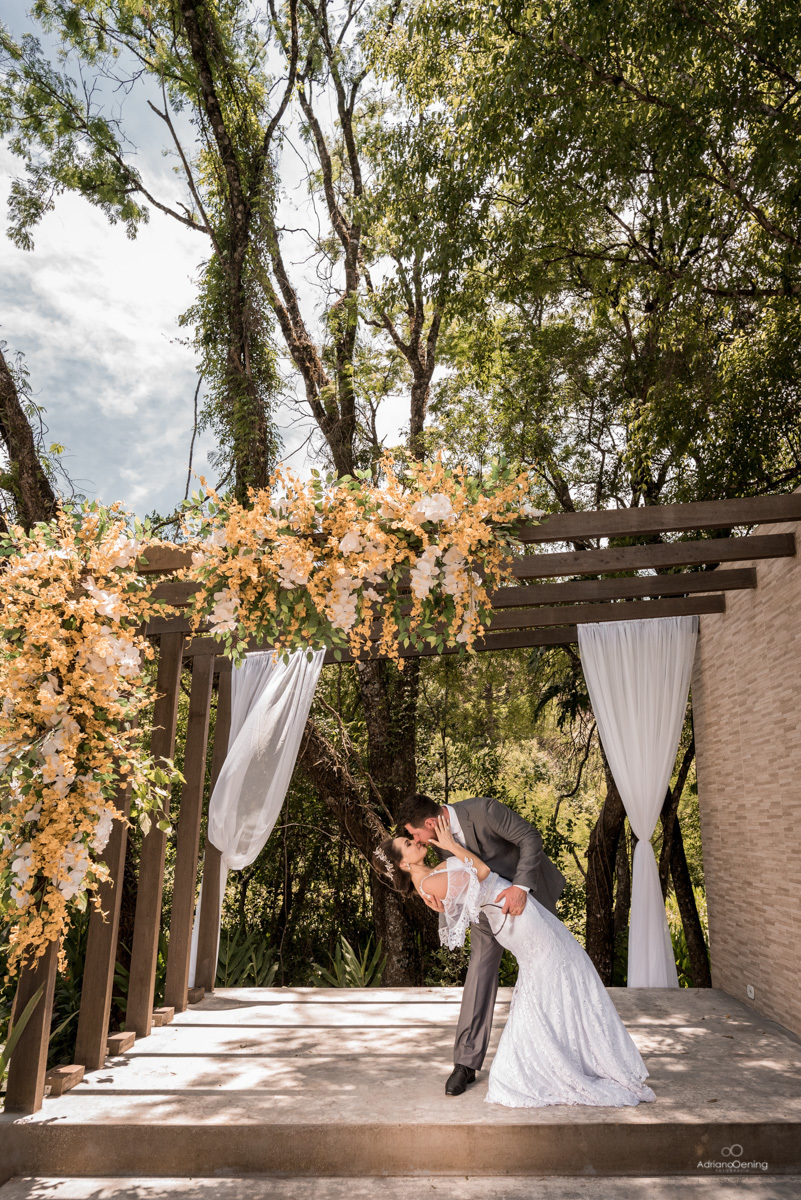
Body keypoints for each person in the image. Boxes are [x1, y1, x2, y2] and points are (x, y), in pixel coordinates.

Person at [373, 816, 656, 1109]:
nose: (416, 841)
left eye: (410, 837)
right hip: (516, 919)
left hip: (517, 912)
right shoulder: (430, 880)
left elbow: (462, 883)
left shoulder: (429, 877)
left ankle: (577, 1055)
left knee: (561, 972)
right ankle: (542, 1064)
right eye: (408, 844)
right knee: (557, 970)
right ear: (403, 865)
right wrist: (452, 845)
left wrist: (450, 852)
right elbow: (481, 870)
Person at [396, 791, 565, 1096]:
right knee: (479, 970)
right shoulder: (435, 841)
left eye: (415, 834)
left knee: (548, 969)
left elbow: (530, 837)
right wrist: (437, 900)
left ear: (432, 822)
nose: (417, 841)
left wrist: (521, 887)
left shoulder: (484, 810)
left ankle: (559, 1052)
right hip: (486, 909)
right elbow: (455, 877)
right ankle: (465, 1063)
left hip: (528, 894)